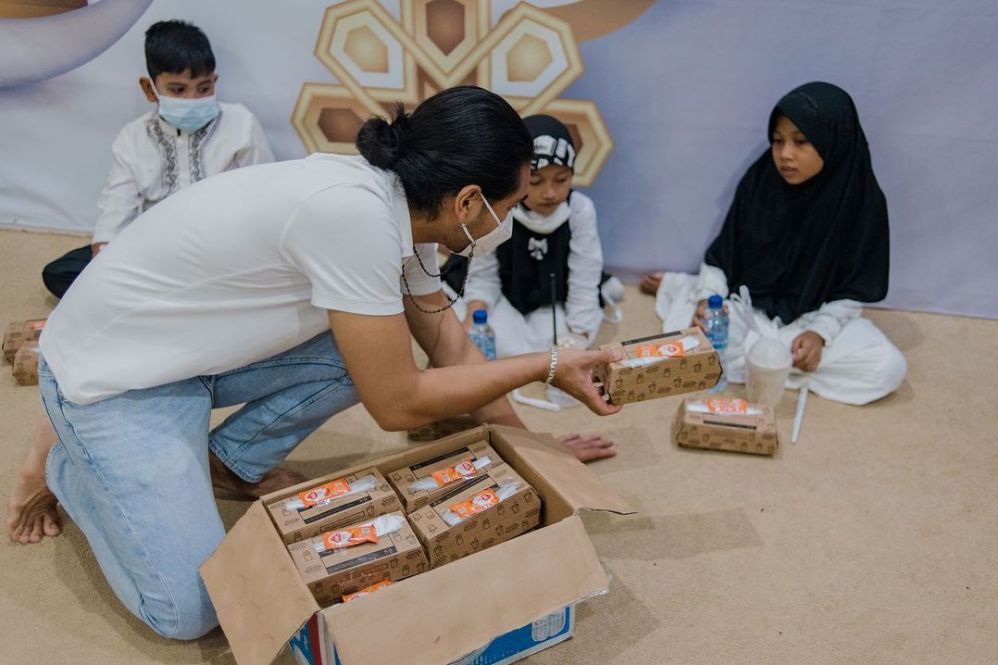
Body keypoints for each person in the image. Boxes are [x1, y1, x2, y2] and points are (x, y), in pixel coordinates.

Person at [6, 86, 622, 641]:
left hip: (187, 352)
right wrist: (544, 362)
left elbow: (450, 347)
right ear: (467, 201)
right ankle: (67, 462)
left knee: (360, 350)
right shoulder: (353, 217)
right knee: (194, 609)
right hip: (115, 380)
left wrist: (531, 450)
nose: (508, 222)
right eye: (507, 205)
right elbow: (396, 403)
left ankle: (229, 464)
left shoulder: (404, 210)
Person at [643, 82, 906, 405]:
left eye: (801, 142)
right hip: (750, 312)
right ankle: (772, 364)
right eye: (778, 141)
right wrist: (707, 301)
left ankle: (766, 364)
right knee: (703, 330)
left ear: (833, 141)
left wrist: (819, 334)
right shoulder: (761, 181)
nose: (784, 155)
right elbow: (722, 258)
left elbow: (854, 288)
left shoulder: (862, 202)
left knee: (887, 367)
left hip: (809, 321)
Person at [40, 19, 273, 299]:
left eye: (203, 88)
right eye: (178, 90)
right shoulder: (133, 137)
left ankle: (163, 299)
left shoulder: (241, 124)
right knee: (62, 272)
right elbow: (116, 208)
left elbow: (265, 200)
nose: (193, 99)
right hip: (156, 250)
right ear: (150, 89)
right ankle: (179, 297)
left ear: (215, 82)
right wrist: (104, 257)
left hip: (222, 248)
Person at [446, 114, 623, 356]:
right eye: (536, 181)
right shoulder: (498, 208)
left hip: (553, 295)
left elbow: (583, 279)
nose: (549, 193)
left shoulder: (579, 209)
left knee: (560, 339)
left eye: (561, 179)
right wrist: (476, 318)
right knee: (494, 342)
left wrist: (578, 335)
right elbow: (484, 275)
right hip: (507, 292)